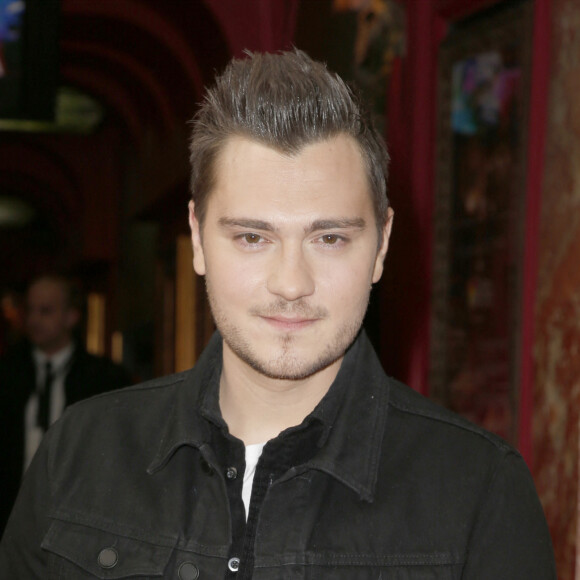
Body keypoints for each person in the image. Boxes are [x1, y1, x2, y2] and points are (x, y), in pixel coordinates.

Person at [0, 50, 555, 578]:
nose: (292, 283)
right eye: (252, 237)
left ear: (381, 245)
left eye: (330, 237)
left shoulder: (480, 489)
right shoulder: (79, 451)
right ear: (196, 239)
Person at [0, 274, 131, 535]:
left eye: (46, 311)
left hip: (78, 520)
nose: (34, 320)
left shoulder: (103, 378)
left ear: (71, 317)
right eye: (31, 310)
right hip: (10, 518)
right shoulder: (7, 373)